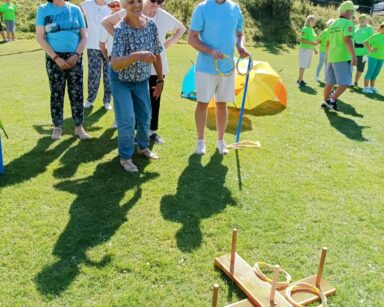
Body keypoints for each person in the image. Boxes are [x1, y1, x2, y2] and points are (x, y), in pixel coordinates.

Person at [102, 0, 186, 144]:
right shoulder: (130, 10)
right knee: (132, 109)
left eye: (159, 1)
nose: (156, 4)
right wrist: (124, 40)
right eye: (153, 0)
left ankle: (149, 135)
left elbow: (181, 29)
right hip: (131, 68)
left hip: (154, 65)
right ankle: (132, 141)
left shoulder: (159, 18)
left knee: (151, 104)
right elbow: (105, 23)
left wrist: (165, 45)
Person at [188, 0, 249, 155]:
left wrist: (240, 46)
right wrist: (210, 51)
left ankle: (221, 141)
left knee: (222, 104)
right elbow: (192, 38)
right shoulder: (202, 8)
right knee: (202, 104)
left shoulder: (235, 8)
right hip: (205, 67)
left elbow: (239, 34)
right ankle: (200, 141)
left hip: (227, 67)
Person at [110, 0, 163, 172]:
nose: (136, 5)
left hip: (141, 80)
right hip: (121, 81)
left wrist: (160, 80)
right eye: (131, 2)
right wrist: (137, 55)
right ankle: (125, 157)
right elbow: (115, 63)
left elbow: (157, 53)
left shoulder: (151, 25)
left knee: (146, 116)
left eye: (139, 1)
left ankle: (142, 147)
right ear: (124, 5)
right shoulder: (120, 29)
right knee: (127, 120)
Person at [36, 0, 90, 140]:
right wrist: (55, 58)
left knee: (77, 93)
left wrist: (76, 55)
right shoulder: (43, 9)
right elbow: (40, 37)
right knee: (57, 94)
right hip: (54, 58)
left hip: (75, 58)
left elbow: (84, 37)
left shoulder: (75, 9)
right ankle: (57, 127)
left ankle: (79, 127)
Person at [321, 1, 357, 111]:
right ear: (348, 12)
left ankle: (326, 102)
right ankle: (331, 101)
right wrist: (354, 56)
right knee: (345, 83)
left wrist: (327, 56)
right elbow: (347, 39)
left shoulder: (333, 24)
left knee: (330, 82)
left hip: (332, 57)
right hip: (342, 57)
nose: (353, 14)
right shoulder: (348, 23)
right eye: (352, 11)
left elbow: (328, 42)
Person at [81, 0, 112, 110]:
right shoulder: (86, 4)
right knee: (93, 74)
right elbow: (80, 21)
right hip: (92, 45)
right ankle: (90, 99)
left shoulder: (113, 3)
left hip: (109, 46)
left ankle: (107, 101)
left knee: (108, 75)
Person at [99, 0, 122, 128]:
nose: (115, 7)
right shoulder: (106, 20)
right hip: (115, 60)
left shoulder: (130, 16)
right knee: (118, 93)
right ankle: (117, 120)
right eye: (111, 5)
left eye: (117, 4)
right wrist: (108, 59)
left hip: (133, 60)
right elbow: (102, 44)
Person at [363, 22, 384, 94]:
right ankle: (365, 88)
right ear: (380, 28)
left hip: (381, 58)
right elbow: (365, 42)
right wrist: (370, 49)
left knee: (376, 72)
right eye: (383, 28)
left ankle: (372, 87)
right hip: (373, 57)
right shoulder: (376, 35)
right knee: (370, 71)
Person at [353, 14, 374, 87]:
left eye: (363, 19)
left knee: (360, 69)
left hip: (363, 53)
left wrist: (369, 50)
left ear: (367, 20)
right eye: (360, 19)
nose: (362, 20)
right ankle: (347, 81)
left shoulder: (369, 28)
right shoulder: (355, 27)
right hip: (353, 52)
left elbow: (371, 40)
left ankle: (355, 82)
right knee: (349, 67)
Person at [297, 15, 318, 87]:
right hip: (304, 50)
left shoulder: (311, 29)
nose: (315, 23)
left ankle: (300, 79)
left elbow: (312, 40)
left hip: (309, 50)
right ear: (310, 21)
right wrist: (313, 44)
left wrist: (314, 49)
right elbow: (302, 40)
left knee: (304, 65)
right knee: (302, 65)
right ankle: (299, 81)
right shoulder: (305, 29)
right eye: (314, 21)